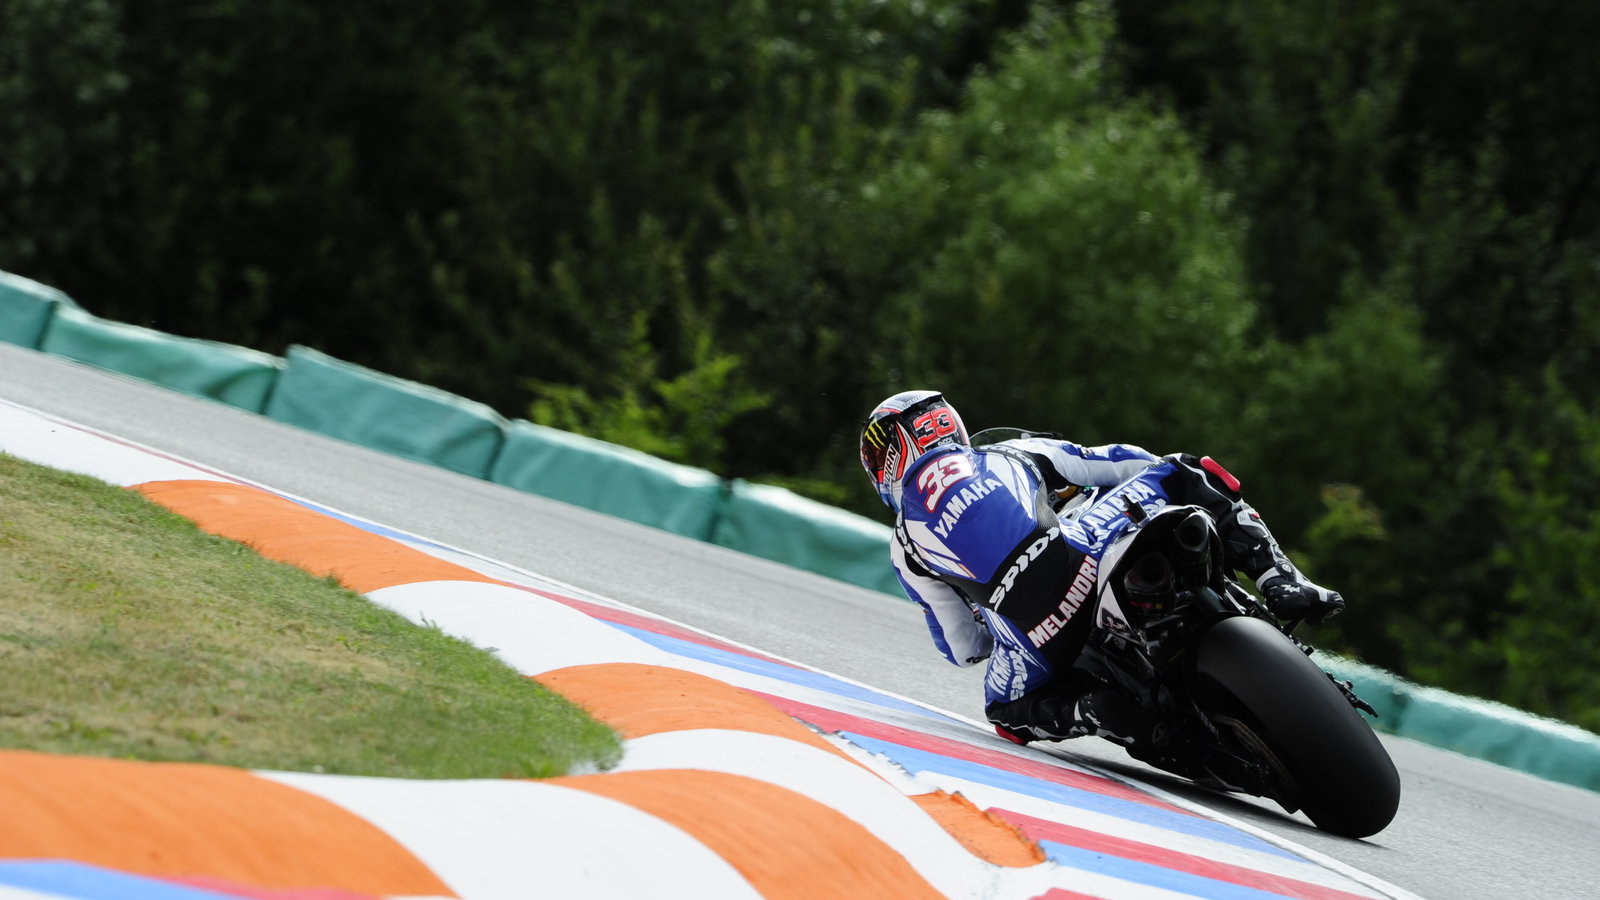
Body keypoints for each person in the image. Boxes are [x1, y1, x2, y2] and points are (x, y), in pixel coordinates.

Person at [859, 389, 1344, 749]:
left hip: (1036, 636)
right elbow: (1118, 464)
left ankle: (1093, 711)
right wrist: (1150, 485)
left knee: (1003, 711)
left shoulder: (904, 544)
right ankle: (1280, 578)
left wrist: (994, 612)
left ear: (896, 456)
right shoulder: (1011, 454)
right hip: (1086, 551)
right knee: (1185, 468)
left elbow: (965, 650)